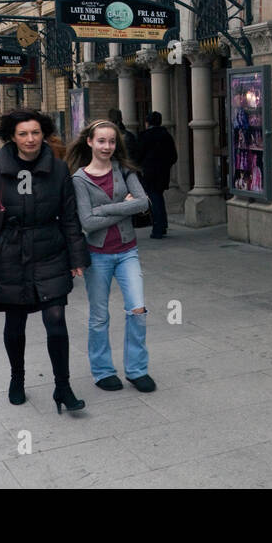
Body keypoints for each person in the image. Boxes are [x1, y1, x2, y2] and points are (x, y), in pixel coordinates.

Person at [0, 109, 89, 414]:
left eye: (35, 133)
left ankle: (63, 386)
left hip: (50, 251)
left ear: (43, 134)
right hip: (10, 255)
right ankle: (17, 378)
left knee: (57, 321)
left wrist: (77, 256)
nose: (30, 139)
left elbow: (71, 217)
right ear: (12, 137)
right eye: (23, 134)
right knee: (15, 322)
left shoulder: (59, 170)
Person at [68, 120, 156, 393]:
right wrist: (122, 207)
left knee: (137, 309)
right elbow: (87, 222)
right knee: (99, 316)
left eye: (112, 141)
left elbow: (144, 203)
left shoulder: (125, 170)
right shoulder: (79, 179)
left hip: (127, 251)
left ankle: (137, 370)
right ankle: (103, 370)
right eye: (102, 141)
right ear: (90, 142)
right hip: (97, 256)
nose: (107, 146)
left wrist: (103, 210)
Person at [136, 111, 177, 239]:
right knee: (158, 197)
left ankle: (158, 227)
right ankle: (162, 225)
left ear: (147, 123)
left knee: (154, 199)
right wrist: (165, 166)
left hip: (149, 173)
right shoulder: (166, 136)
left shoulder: (145, 136)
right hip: (162, 173)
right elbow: (173, 156)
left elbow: (138, 155)